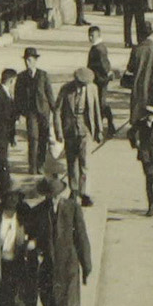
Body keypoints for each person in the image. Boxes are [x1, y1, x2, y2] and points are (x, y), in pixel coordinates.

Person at [24, 174, 93, 306]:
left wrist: (86, 266)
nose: (53, 198)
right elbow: (31, 234)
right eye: (49, 195)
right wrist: (32, 244)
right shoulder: (38, 211)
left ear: (60, 194)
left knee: (68, 304)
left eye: (55, 195)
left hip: (68, 263)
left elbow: (81, 238)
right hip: (47, 264)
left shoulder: (72, 209)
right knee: (50, 303)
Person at [55, 68, 98, 204]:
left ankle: (84, 193)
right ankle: (74, 191)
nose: (82, 87)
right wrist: (59, 132)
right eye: (80, 84)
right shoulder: (66, 89)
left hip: (85, 131)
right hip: (69, 131)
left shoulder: (92, 89)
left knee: (85, 163)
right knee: (71, 162)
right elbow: (57, 111)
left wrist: (99, 130)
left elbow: (96, 110)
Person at [14, 48, 55, 174]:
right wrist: (18, 114)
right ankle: (32, 166)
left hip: (44, 112)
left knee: (43, 139)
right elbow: (18, 96)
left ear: (35, 60)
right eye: (26, 60)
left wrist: (55, 111)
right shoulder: (21, 77)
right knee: (33, 138)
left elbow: (49, 94)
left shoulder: (43, 75)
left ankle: (41, 165)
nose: (27, 63)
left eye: (30, 60)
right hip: (30, 113)